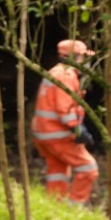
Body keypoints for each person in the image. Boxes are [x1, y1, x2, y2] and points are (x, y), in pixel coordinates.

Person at [31, 39, 99, 205]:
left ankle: (54, 207)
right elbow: (65, 110)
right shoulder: (66, 76)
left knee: (58, 171)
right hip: (57, 134)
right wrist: (78, 131)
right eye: (83, 57)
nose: (86, 62)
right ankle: (74, 208)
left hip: (43, 132)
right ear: (73, 57)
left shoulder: (55, 72)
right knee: (88, 169)